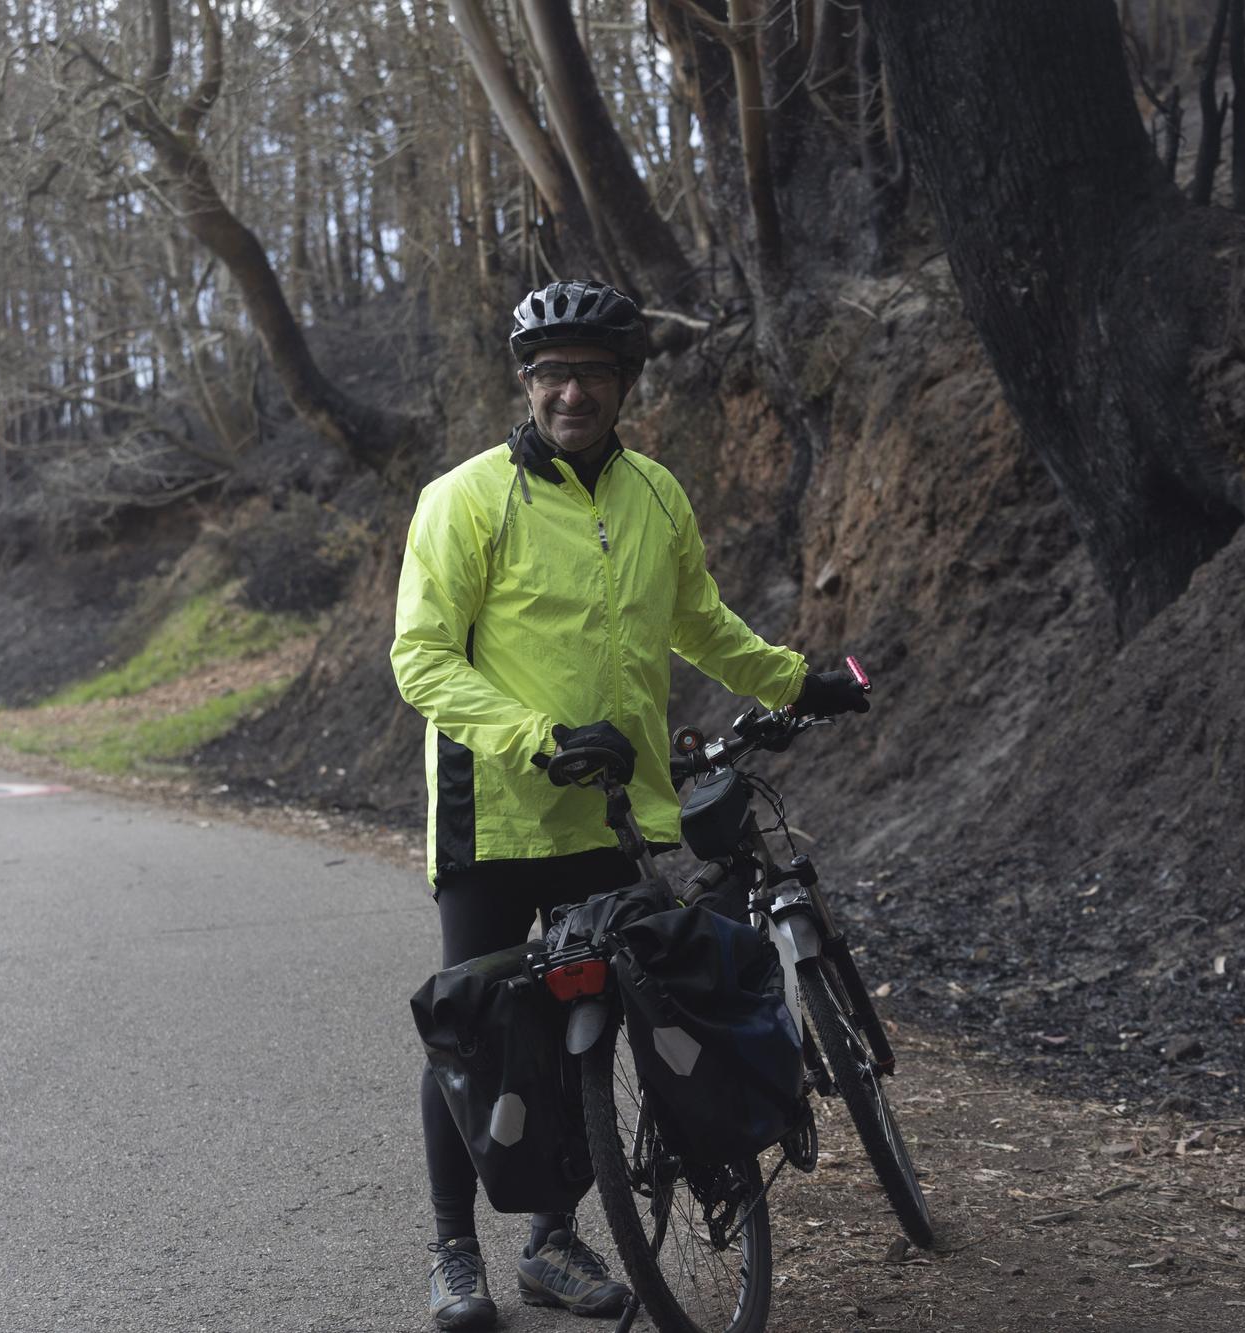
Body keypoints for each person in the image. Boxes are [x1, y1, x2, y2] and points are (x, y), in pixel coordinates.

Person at [390, 279, 870, 1330]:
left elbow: (698, 623)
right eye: (552, 375)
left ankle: (552, 1241)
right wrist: (539, 737)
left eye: (593, 375)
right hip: (497, 817)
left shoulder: (653, 494)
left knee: (588, 1036)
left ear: (623, 386)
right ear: (525, 384)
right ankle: (453, 1251)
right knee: (474, 1030)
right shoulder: (465, 499)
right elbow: (421, 661)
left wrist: (796, 681)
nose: (571, 393)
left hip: (613, 819)